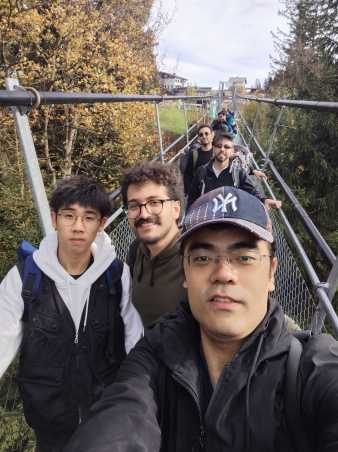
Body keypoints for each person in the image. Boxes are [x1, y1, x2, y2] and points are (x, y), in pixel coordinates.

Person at [64, 186, 338, 452]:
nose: (223, 273)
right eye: (203, 258)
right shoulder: (152, 358)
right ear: (185, 272)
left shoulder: (311, 367)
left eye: (244, 257)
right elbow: (121, 418)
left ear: (271, 273)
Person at [0, 175, 143, 452]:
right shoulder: (25, 278)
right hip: (49, 422)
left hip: (106, 422)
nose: (78, 227)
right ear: (54, 219)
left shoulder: (117, 276)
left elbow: (135, 344)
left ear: (102, 224)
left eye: (88, 218)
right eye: (69, 216)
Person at [121, 161, 186, 326]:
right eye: (134, 206)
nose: (143, 214)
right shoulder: (135, 251)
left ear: (176, 209)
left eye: (155, 203)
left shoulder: (193, 258)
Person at [187, 131, 281, 209]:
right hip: (206, 217)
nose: (222, 149)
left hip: (230, 217)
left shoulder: (238, 172)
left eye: (227, 147)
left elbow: (251, 190)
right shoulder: (202, 171)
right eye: (219, 146)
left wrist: (264, 200)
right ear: (213, 148)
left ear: (232, 151)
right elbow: (192, 198)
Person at [180, 124, 214, 195]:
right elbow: (188, 175)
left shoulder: (217, 152)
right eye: (201, 135)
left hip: (215, 192)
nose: (204, 136)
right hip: (199, 193)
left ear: (212, 135)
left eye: (206, 133)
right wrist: (189, 192)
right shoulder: (194, 154)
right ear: (198, 138)